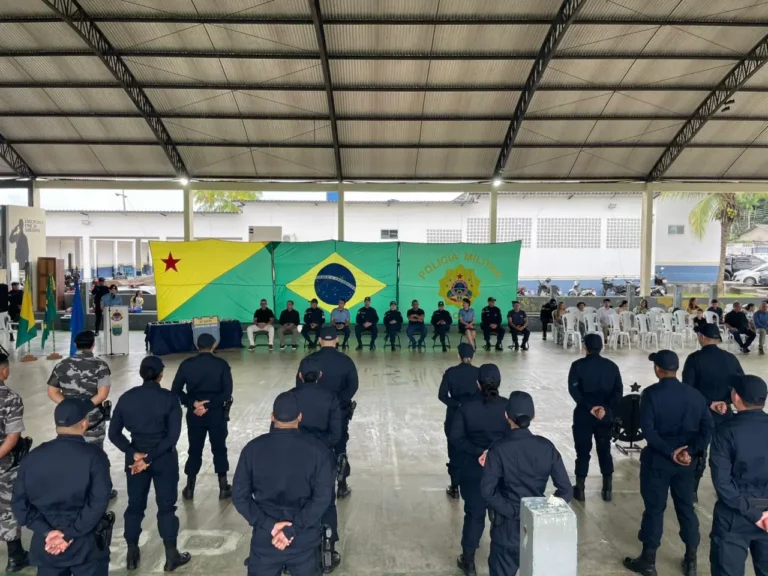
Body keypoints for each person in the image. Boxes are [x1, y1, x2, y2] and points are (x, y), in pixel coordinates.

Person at [624, 350, 713, 576]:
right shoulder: (696, 396)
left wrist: (670, 451)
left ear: (657, 369)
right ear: (677, 370)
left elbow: (648, 431)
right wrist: (689, 452)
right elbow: (707, 430)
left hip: (658, 462)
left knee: (654, 509)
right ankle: (691, 560)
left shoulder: (651, 394)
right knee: (686, 508)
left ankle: (648, 560)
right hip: (686, 464)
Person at [233, 392, 333, 576]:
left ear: (272, 417)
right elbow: (323, 498)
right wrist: (292, 529)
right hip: (304, 540)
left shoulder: (252, 449)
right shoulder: (318, 450)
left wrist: (270, 525)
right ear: (300, 417)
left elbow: (239, 496)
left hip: (266, 539)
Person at [108, 356, 190, 572]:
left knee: (134, 506)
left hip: (135, 459)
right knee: (166, 507)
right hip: (163, 458)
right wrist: (149, 458)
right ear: (161, 374)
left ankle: (132, 553)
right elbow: (172, 437)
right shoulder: (170, 399)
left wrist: (133, 453)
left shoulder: (127, 398)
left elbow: (114, 433)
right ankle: (171, 555)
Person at [12, 399, 111, 576]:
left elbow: (19, 504)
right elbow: (99, 502)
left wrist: (48, 532)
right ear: (84, 423)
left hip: (47, 546)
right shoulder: (95, 457)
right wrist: (69, 534)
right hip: (86, 545)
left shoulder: (32, 458)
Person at [481, 391, 573, 576]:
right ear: (533, 416)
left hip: (506, 529)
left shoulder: (498, 449)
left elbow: (487, 491)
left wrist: (513, 511)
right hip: (537, 529)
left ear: (507, 416)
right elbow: (566, 490)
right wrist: (540, 511)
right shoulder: (546, 447)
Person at [450, 364, 508, 576]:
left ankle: (469, 561)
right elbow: (514, 438)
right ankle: (501, 557)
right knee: (501, 514)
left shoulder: (466, 407)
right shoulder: (507, 406)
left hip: (474, 469)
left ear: (477, 383)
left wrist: (479, 451)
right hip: (502, 471)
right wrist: (495, 454)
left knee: (474, 515)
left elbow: (456, 438)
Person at [709, 374, 768, 576]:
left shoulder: (725, 431)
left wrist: (753, 513)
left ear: (736, 397)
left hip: (734, 514)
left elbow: (722, 482)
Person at [47, 330, 116, 499]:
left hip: (68, 421)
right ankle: (100, 492)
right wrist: (85, 406)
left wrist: (70, 405)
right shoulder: (100, 366)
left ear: (75, 345)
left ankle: (73, 491)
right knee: (96, 455)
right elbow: (103, 394)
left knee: (70, 454)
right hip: (92, 421)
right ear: (93, 345)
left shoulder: (62, 365)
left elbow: (52, 391)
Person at [682, 322, 744, 503]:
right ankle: (725, 490)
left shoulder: (694, 359)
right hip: (725, 412)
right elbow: (740, 386)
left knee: (699, 451)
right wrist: (725, 403)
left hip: (701, 414)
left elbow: (688, 389)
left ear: (701, 337)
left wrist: (710, 403)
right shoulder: (731, 359)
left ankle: (692, 491)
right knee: (724, 454)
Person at [291, 357, 342, 571]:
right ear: (320, 376)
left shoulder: (288, 398)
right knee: (326, 500)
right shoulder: (330, 398)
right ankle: (328, 547)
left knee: (295, 500)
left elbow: (278, 431)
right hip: (322, 455)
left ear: (300, 376)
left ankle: (295, 546)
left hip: (294, 456)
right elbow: (336, 434)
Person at [296, 326, 359, 499]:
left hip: (311, 413)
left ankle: (311, 486)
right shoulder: (346, 361)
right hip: (338, 412)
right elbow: (353, 386)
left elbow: (300, 386)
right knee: (339, 446)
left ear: (319, 340)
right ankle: (342, 485)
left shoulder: (308, 361)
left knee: (311, 447)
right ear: (337, 339)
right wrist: (336, 402)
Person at [171, 334, 234, 502]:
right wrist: (208, 405)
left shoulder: (186, 365)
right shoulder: (222, 365)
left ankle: (190, 487)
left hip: (194, 414)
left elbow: (175, 391)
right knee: (219, 448)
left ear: (197, 345)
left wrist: (194, 404)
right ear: (214, 345)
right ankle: (223, 487)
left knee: (195, 449)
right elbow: (227, 393)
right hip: (216, 413)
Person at [568, 334, 623, 502]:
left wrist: (590, 408)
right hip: (604, 417)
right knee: (604, 450)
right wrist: (604, 409)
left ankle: (580, 488)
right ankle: (607, 489)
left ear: (585, 347)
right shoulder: (612, 367)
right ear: (602, 347)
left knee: (583, 451)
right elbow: (618, 392)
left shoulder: (577, 366)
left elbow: (574, 390)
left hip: (584, 415)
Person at [438, 343, 480, 500]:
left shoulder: (450, 373)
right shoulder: (478, 373)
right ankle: (473, 483)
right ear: (473, 356)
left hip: (454, 416)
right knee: (473, 448)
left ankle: (455, 487)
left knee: (454, 450)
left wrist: (457, 404)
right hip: (474, 416)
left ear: (458, 356)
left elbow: (442, 396)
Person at [0, 354, 27, 572]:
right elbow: (12, 438)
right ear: (4, 371)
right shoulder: (10, 398)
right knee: (7, 507)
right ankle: (15, 557)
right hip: (3, 465)